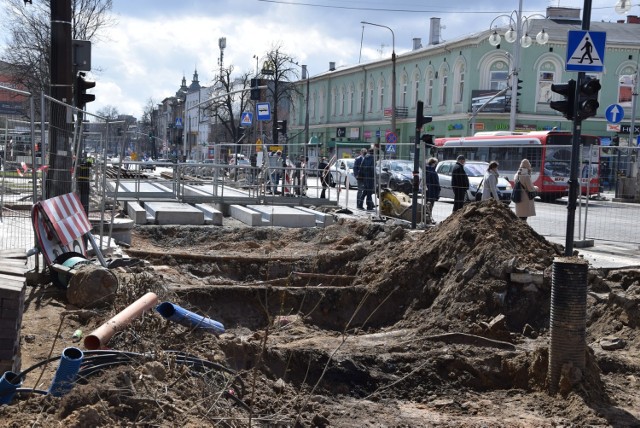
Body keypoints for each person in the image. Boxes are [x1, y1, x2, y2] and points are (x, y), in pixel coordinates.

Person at [425, 157, 441, 223]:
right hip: (432, 191)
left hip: (427, 190)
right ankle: (429, 218)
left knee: (426, 205)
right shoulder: (433, 172)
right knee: (431, 205)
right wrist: (438, 189)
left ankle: (426, 218)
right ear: (433, 163)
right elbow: (436, 182)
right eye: (436, 164)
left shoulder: (426, 170)